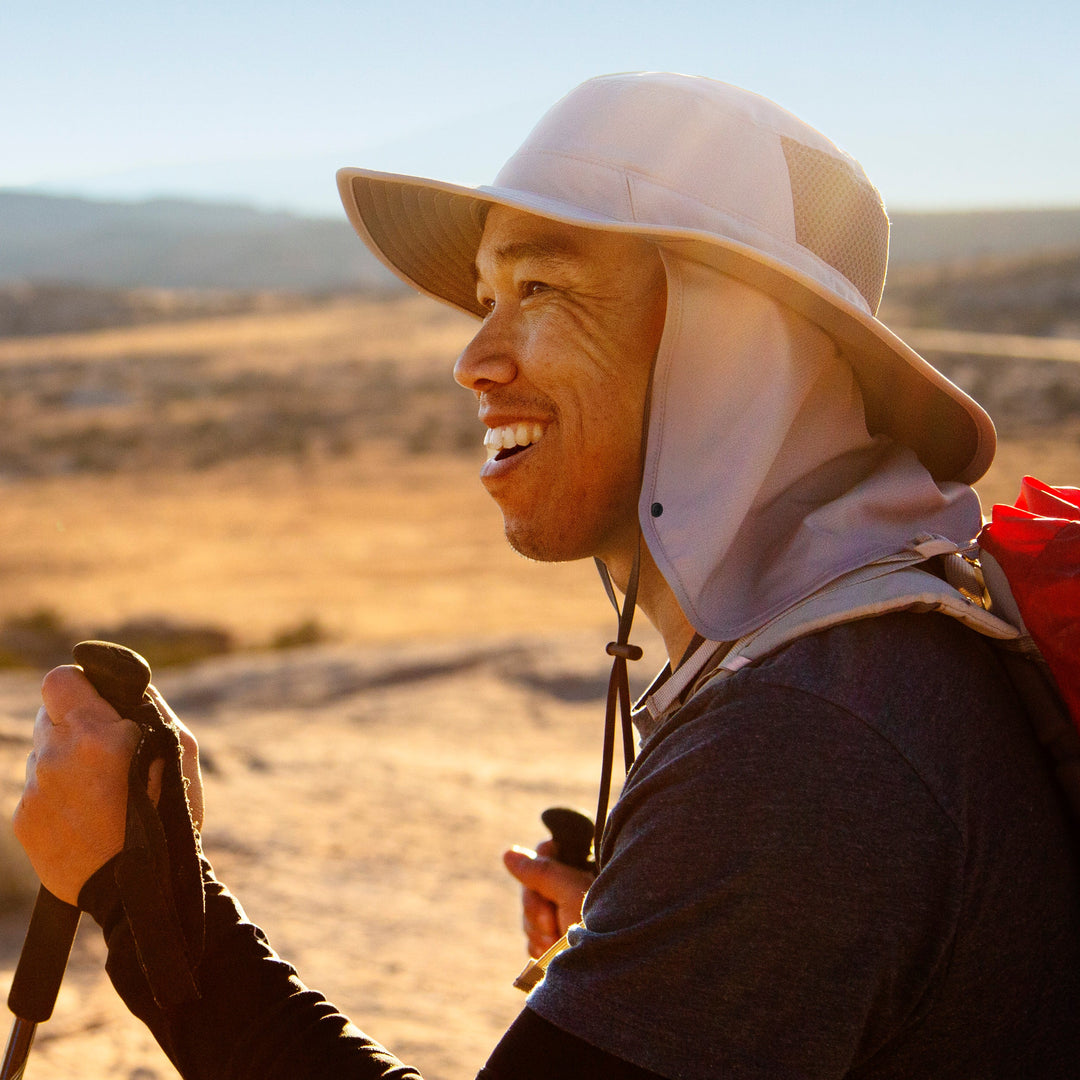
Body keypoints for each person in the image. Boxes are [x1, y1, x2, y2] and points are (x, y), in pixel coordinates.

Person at [13, 72, 1080, 1078]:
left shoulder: (809, 738)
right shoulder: (882, 637)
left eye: (538, 285)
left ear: (732, 346)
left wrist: (150, 894)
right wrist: (656, 945)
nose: (474, 357)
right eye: (483, 294)